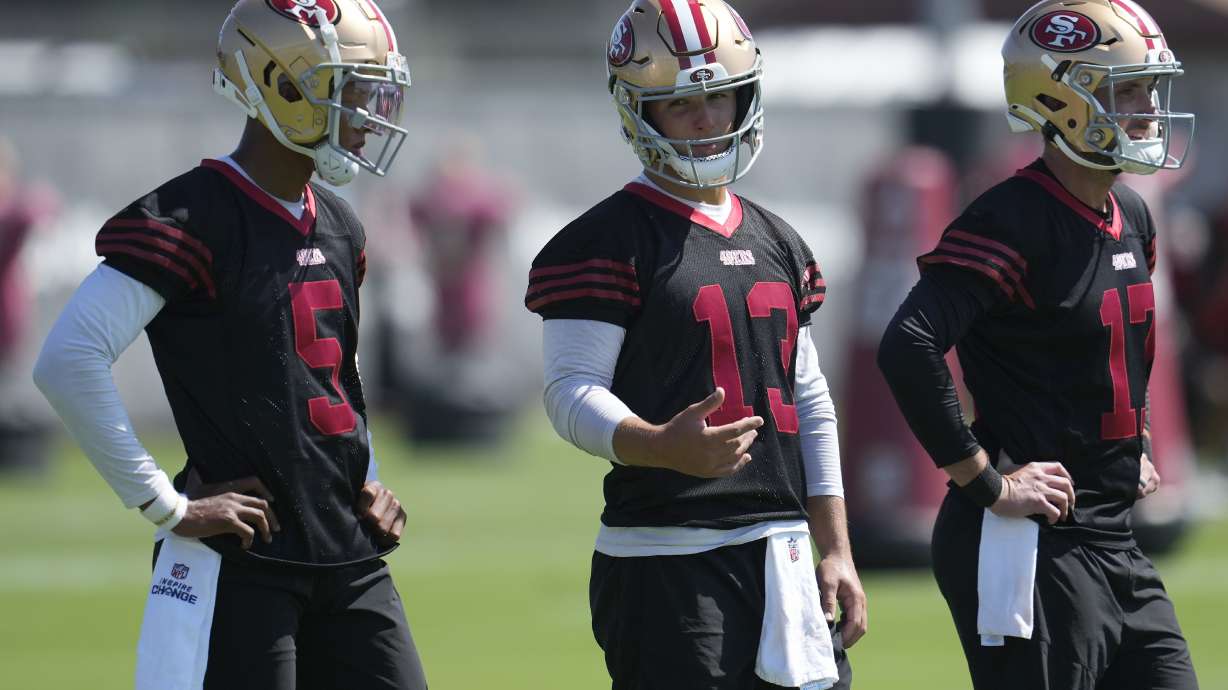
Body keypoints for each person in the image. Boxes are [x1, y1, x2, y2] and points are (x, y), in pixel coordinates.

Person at [33, 1, 427, 688]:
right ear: (282, 84)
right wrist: (167, 505)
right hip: (247, 562)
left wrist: (365, 478)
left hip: (348, 554)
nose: (367, 115)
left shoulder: (337, 222)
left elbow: (334, 373)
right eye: (351, 90)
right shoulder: (191, 217)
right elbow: (68, 358)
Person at [524, 1, 865, 688]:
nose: (708, 119)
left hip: (785, 552)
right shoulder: (604, 240)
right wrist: (656, 444)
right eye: (682, 104)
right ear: (639, 111)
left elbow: (811, 401)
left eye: (718, 96)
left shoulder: (779, 239)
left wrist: (836, 547)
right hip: (667, 557)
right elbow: (569, 391)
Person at [877, 1, 1199, 688]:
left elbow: (1116, 347)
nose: (1147, 107)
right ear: (1060, 99)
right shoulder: (1011, 219)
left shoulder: (1131, 213)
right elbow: (909, 342)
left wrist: (1132, 439)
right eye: (1126, 89)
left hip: (1113, 536)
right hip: (1029, 542)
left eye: (1149, 87)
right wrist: (982, 479)